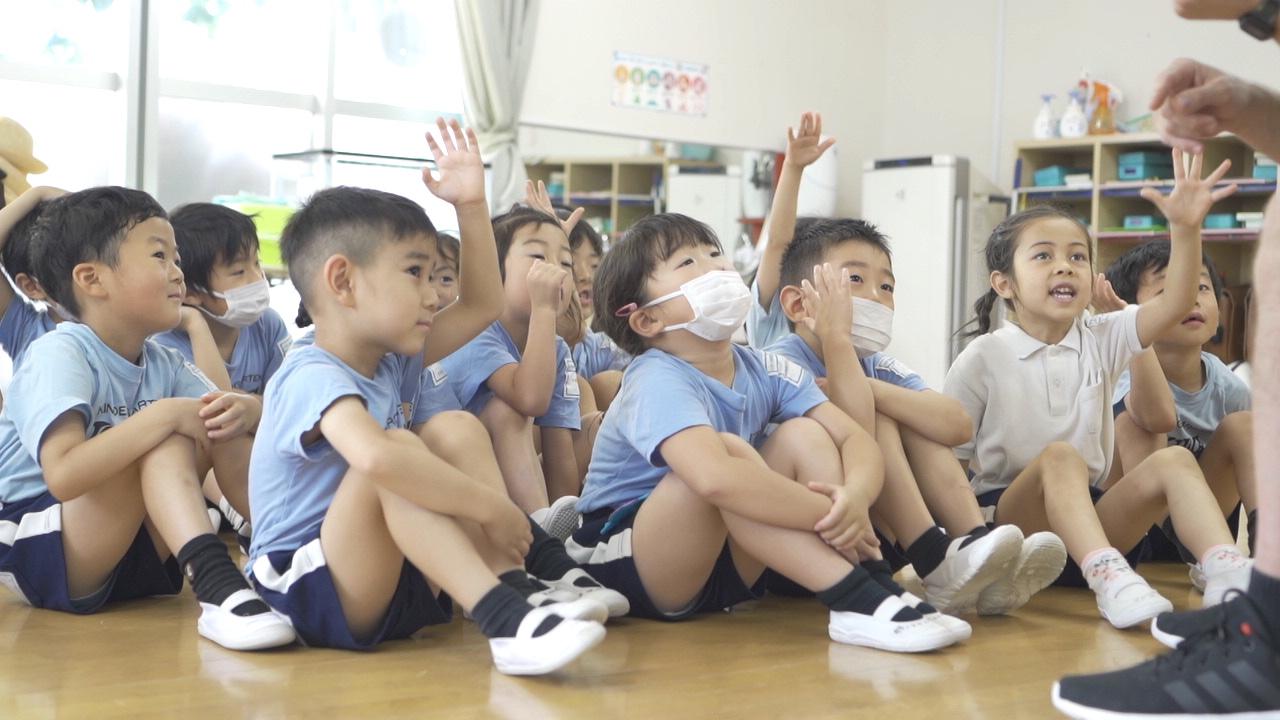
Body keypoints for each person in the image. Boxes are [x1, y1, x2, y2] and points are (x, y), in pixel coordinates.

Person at [246, 119, 606, 674]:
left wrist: (471, 204)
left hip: (384, 572)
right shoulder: (310, 368)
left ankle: (514, 588)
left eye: (436, 274)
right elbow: (377, 459)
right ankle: (503, 618)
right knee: (394, 452)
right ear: (342, 282)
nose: (433, 293)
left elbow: (483, 304)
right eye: (415, 273)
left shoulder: (396, 357)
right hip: (302, 585)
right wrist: (493, 508)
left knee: (453, 428)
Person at [570, 212, 966, 651]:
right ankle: (858, 594)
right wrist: (832, 513)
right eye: (688, 263)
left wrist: (856, 495)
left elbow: (853, 436)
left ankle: (859, 590)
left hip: (729, 568)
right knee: (728, 454)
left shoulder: (764, 367)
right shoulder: (654, 376)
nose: (717, 267)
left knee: (805, 435)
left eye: (715, 253)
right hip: (632, 563)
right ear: (645, 321)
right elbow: (713, 479)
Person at [1053, 3, 1280, 712]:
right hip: (1132, 528)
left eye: (1209, 288)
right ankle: (1260, 608)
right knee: (1161, 445)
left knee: (1237, 430)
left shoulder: (1219, 377)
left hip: (1191, 526)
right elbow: (1148, 418)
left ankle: (1257, 610)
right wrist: (1246, 104)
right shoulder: (1105, 342)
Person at [945, 151, 1251, 630]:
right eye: (1043, 255)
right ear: (1004, 283)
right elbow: (950, 467)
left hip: (1093, 519)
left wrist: (1187, 228)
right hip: (1016, 528)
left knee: (1173, 459)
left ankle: (1225, 570)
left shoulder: (1103, 336)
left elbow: (1172, 303)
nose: (1064, 266)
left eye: (1077, 256)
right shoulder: (982, 357)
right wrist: (968, 552)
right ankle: (1111, 579)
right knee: (1060, 457)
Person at [0, 185, 294, 651]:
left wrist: (250, 408)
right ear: (92, 280)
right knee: (169, 428)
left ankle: (285, 557)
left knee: (220, 418)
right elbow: (63, 475)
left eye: (176, 259)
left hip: (128, 550)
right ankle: (218, 586)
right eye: (160, 256)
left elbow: (223, 422)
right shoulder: (59, 349)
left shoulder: (163, 361)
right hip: (43, 542)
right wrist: (164, 416)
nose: (178, 273)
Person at [766, 219, 1056, 616]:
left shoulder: (877, 365)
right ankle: (935, 558)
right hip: (818, 539)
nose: (876, 296)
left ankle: (973, 548)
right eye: (854, 279)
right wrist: (851, 364)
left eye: (886, 286)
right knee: (884, 418)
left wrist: (874, 389)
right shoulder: (779, 364)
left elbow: (957, 425)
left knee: (911, 412)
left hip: (879, 534)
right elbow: (857, 436)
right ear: (800, 304)